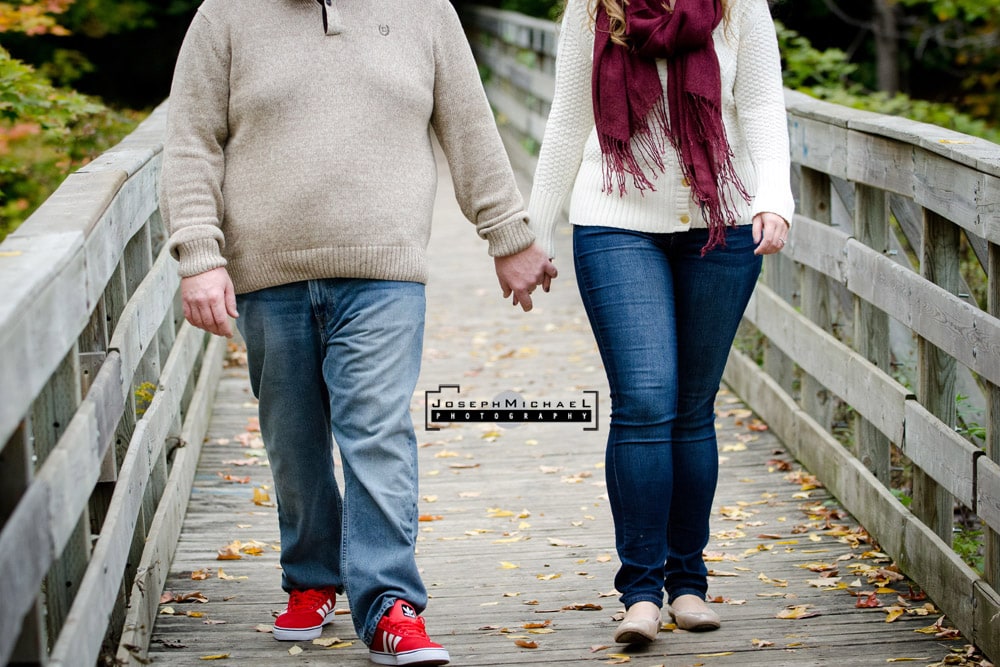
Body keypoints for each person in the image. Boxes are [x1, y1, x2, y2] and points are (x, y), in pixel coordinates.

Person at [160, 1, 557, 664]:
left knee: (376, 427)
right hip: (269, 272)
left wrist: (507, 235)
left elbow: (470, 127)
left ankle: (388, 604)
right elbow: (190, 140)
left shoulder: (425, 11)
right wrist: (198, 253)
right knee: (294, 439)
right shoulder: (224, 15)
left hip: (385, 270)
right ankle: (313, 577)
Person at [527, 0, 794, 645]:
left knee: (693, 406)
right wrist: (531, 231)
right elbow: (568, 118)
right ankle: (641, 593)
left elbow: (760, 106)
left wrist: (774, 197)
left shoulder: (737, 9)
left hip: (723, 220)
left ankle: (689, 583)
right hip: (615, 218)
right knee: (646, 399)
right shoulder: (591, 10)